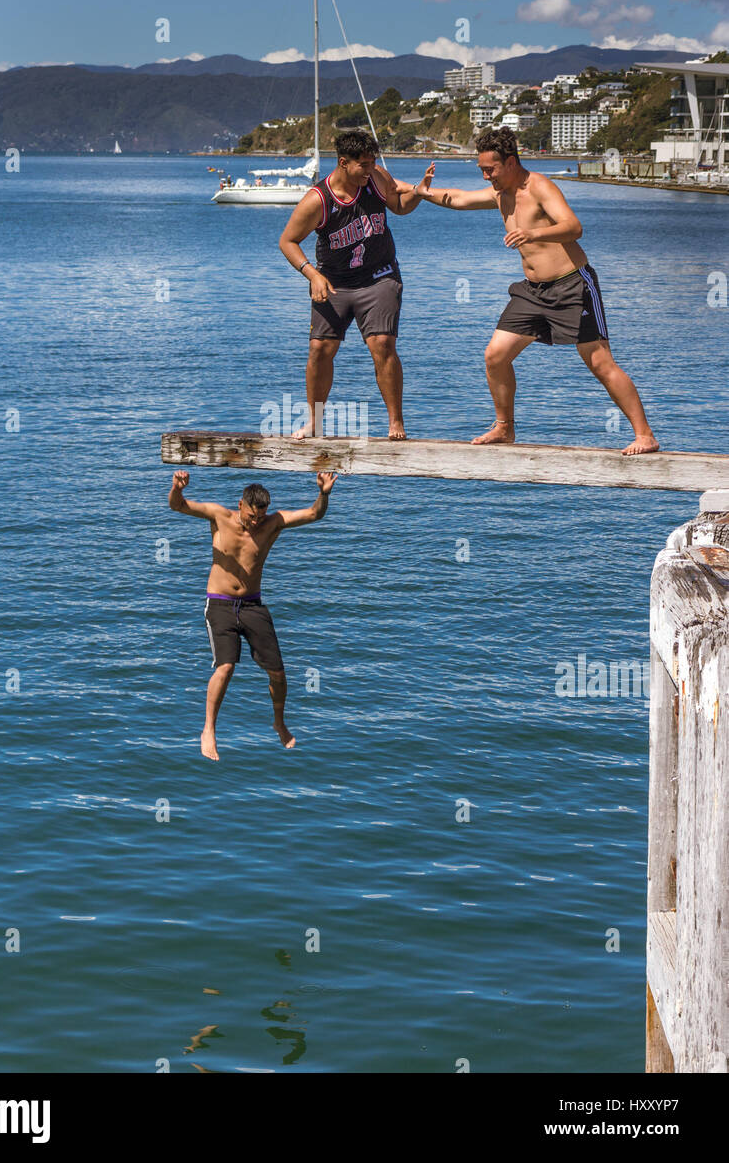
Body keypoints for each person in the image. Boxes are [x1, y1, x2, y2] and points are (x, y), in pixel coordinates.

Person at [415, 127, 659, 455]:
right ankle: (504, 428)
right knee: (495, 356)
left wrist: (532, 234)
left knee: (600, 363)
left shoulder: (540, 186)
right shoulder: (499, 193)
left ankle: (645, 435)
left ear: (511, 162)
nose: (486, 176)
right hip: (532, 292)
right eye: (482, 170)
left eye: (491, 169)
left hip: (573, 286)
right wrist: (421, 192)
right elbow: (458, 198)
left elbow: (574, 228)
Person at [168, 470, 337, 760]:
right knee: (226, 667)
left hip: (252, 605)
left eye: (261, 517)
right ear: (241, 505)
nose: (255, 522)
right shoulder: (219, 516)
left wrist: (323, 493)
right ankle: (208, 729)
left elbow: (313, 515)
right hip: (220, 603)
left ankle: (279, 722)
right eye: (251, 516)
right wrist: (177, 488)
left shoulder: (273, 524)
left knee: (278, 674)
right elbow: (178, 506)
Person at [278, 130, 432, 440]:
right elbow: (288, 241)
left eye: (373, 161)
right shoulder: (317, 200)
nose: (370, 168)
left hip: (380, 276)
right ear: (343, 162)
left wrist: (418, 192)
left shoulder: (374, 178)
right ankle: (315, 422)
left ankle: (395, 422)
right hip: (334, 283)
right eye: (363, 164)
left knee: (382, 344)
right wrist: (312, 274)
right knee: (320, 349)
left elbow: (399, 207)